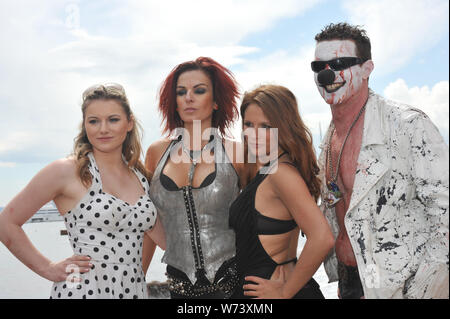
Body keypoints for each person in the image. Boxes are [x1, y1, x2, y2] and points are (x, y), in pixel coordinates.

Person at [312, 22, 449, 299]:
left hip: (404, 287)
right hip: (351, 282)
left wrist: (417, 292)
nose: (328, 74)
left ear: (366, 69)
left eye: (340, 63)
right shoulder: (327, 142)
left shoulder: (407, 125)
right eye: (319, 67)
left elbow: (445, 218)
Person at [0, 83, 165, 299]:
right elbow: (6, 223)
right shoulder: (66, 171)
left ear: (129, 123)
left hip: (133, 291)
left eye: (113, 119)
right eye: (94, 121)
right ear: (85, 125)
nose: (103, 129)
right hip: (83, 291)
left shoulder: (142, 178)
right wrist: (48, 267)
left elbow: (168, 241)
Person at [145, 57, 247, 298]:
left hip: (233, 290)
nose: (188, 97)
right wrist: (136, 278)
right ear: (174, 102)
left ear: (215, 102)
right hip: (178, 290)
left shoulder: (238, 153)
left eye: (199, 91)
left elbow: (264, 216)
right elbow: (147, 220)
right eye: (181, 92)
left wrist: (278, 273)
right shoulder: (156, 153)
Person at [229, 84, 335, 299]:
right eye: (249, 124)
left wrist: (285, 292)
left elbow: (323, 237)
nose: (254, 134)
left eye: (266, 126)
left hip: (272, 292)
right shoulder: (269, 168)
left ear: (284, 127)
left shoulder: (281, 173)